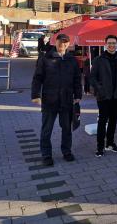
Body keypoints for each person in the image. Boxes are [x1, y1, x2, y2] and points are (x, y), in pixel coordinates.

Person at [31, 34, 82, 166]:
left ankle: (66, 151)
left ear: (69, 43)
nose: (63, 44)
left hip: (66, 100)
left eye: (66, 42)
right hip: (50, 99)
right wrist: (35, 95)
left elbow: (77, 79)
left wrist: (78, 95)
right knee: (46, 129)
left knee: (66, 128)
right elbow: (37, 78)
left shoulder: (72, 60)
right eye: (61, 42)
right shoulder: (45, 58)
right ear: (55, 41)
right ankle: (46, 154)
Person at [90, 35, 117, 157]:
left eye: (114, 43)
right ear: (105, 44)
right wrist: (100, 90)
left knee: (113, 120)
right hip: (104, 96)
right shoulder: (99, 59)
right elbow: (92, 78)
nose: (112, 45)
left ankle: (110, 143)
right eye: (109, 43)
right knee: (102, 121)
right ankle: (100, 147)